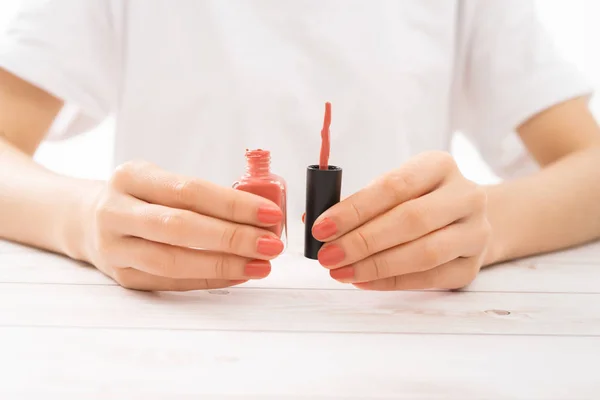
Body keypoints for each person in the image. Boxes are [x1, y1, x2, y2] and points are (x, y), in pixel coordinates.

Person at [0, 0, 599, 292]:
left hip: (395, 348)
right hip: (176, 342)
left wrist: (487, 225)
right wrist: (85, 221)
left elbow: (591, 169)